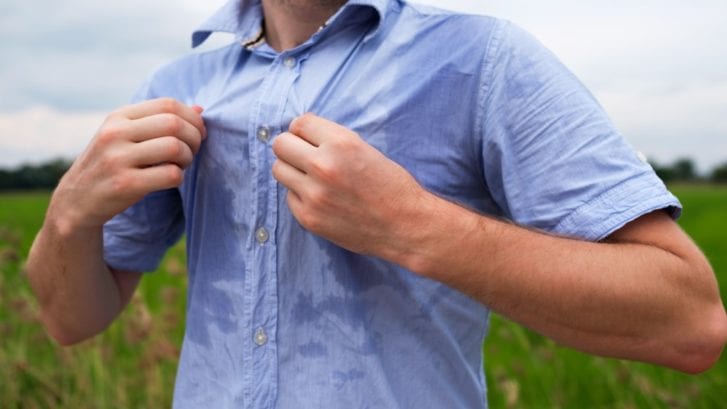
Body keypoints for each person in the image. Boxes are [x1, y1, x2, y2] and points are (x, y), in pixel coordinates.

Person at [27, 0, 727, 407]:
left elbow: (688, 320)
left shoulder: (482, 61)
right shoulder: (177, 84)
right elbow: (70, 319)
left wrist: (413, 226)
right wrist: (68, 215)